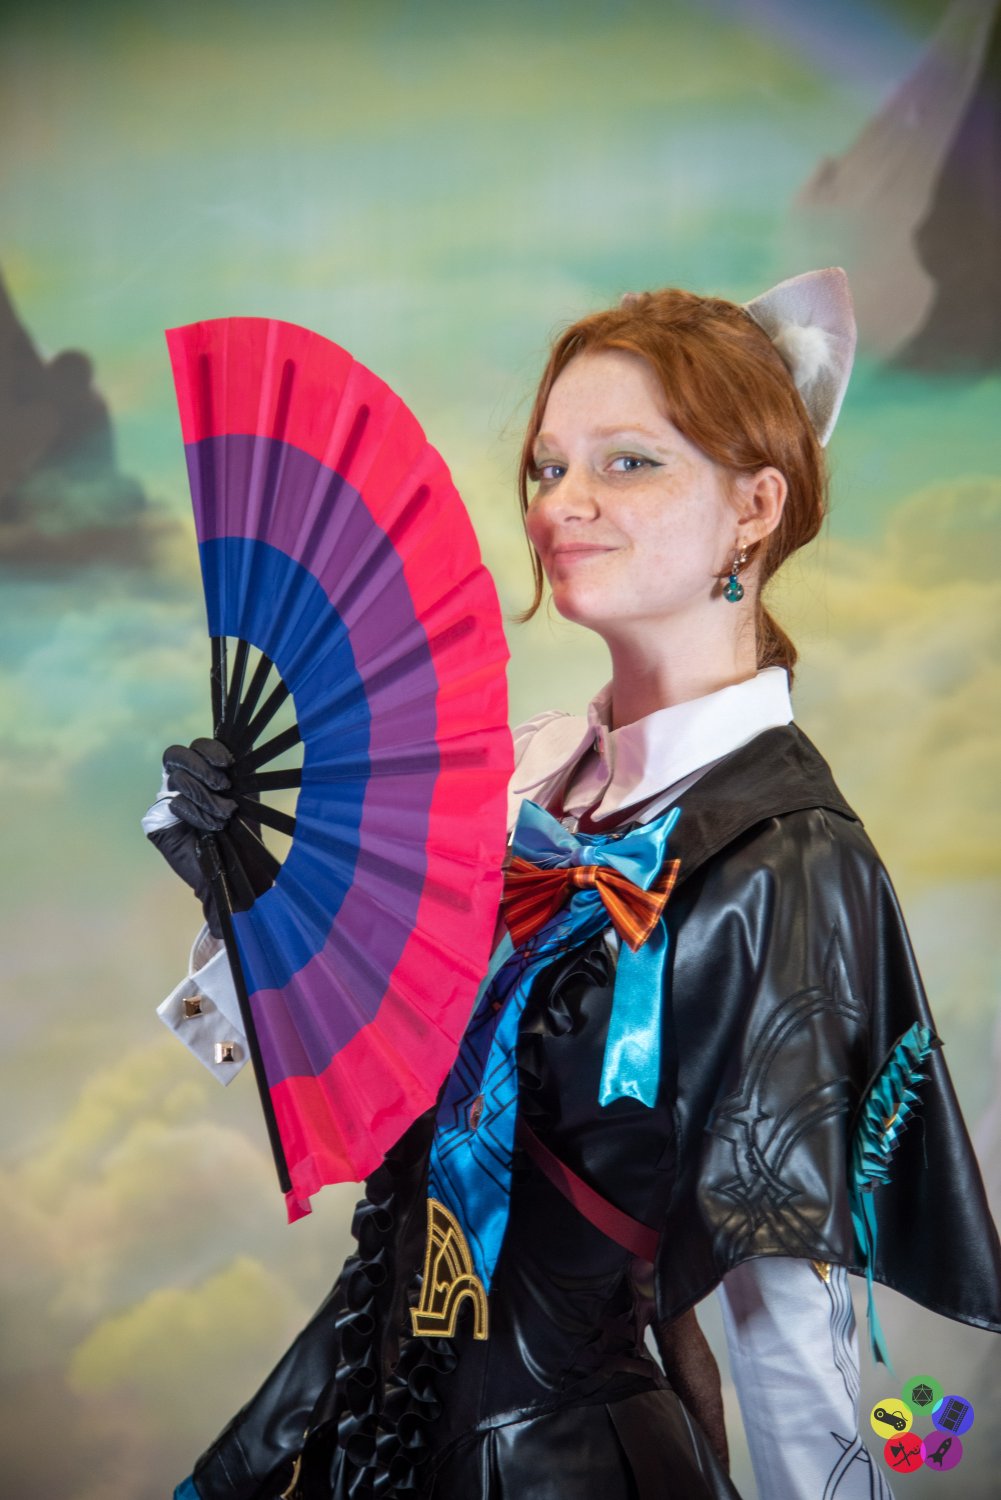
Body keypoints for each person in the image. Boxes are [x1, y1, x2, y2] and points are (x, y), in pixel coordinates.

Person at [146, 270, 1001, 1500]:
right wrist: (241, 897)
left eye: (627, 463)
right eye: (547, 468)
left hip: (564, 1466)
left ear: (753, 507)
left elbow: (783, 1317)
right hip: (349, 1418)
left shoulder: (792, 861)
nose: (562, 505)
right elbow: (374, 1058)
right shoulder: (523, 774)